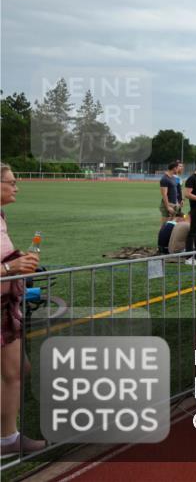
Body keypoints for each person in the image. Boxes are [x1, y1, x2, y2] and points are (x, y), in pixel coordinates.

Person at [0, 163, 45, 455]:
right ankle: (7, 439)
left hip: (5, 306)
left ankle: (7, 437)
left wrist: (19, 261)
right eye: (11, 182)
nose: (17, 187)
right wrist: (9, 267)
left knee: (18, 369)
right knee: (14, 372)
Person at [159, 160, 183, 225]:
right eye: (178, 168)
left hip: (174, 205)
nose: (179, 169)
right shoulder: (164, 179)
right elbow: (164, 194)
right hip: (167, 205)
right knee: (164, 226)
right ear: (174, 168)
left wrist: (178, 201)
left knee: (171, 225)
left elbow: (176, 192)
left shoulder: (173, 178)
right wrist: (168, 207)